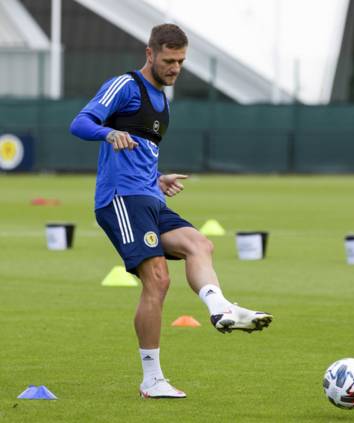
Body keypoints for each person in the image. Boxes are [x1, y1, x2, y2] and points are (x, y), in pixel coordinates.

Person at [70, 23, 272, 398]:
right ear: (150, 54)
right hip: (121, 199)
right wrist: (107, 133)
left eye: (180, 61)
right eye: (168, 60)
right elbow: (80, 122)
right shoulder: (125, 85)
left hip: (150, 196)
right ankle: (152, 380)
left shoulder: (163, 101)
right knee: (158, 281)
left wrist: (158, 177)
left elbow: (140, 152)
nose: (175, 68)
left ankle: (221, 308)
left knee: (200, 244)